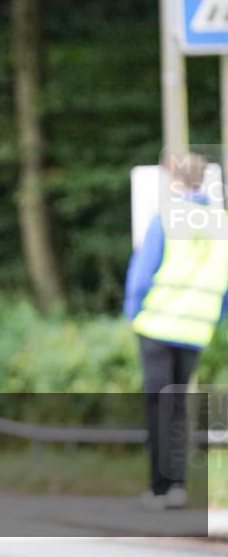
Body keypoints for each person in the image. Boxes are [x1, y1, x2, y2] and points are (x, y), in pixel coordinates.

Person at [124, 152, 228, 511]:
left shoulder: (166, 219)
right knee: (179, 407)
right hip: (195, 331)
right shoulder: (222, 223)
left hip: (156, 328)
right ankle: (178, 486)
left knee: (158, 409)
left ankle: (159, 488)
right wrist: (213, 318)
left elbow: (141, 275)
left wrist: (132, 313)